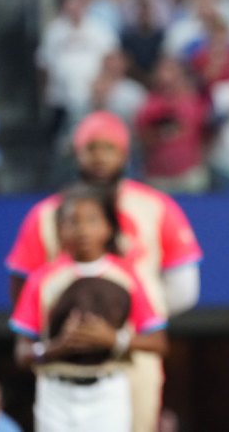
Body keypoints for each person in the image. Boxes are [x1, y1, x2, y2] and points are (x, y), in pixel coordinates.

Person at [6, 111, 202, 432]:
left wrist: (125, 328)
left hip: (132, 357)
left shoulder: (155, 206)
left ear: (124, 153)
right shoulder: (45, 214)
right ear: (76, 153)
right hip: (63, 361)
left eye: (108, 147)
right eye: (91, 147)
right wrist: (51, 338)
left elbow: (183, 289)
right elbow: (23, 286)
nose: (99, 157)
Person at [10, 183, 168, 432]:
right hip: (56, 391)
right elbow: (22, 353)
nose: (82, 230)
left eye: (92, 220)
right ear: (59, 230)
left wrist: (113, 339)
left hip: (108, 390)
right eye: (72, 221)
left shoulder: (126, 276)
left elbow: (158, 342)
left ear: (108, 227)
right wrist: (57, 347)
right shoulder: (42, 279)